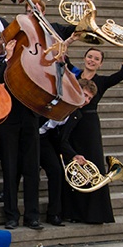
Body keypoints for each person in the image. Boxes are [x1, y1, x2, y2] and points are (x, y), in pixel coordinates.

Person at [64, 43, 123, 224]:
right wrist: (69, 41)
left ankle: (95, 215)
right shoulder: (74, 74)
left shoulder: (101, 81)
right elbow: (64, 58)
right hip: (71, 121)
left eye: (96, 59)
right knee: (73, 167)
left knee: (93, 165)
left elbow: (122, 74)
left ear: (101, 63)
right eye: (90, 57)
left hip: (89, 126)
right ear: (84, 58)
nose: (92, 60)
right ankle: (74, 213)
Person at [0, 27, 43, 231]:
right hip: (7, 120)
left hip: (29, 116)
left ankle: (32, 216)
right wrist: (7, 58)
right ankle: (11, 215)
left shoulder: (20, 55)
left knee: (32, 169)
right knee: (10, 168)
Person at [38, 81, 95, 228]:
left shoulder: (76, 114)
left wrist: (74, 155)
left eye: (89, 98)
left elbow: (62, 140)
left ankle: (54, 213)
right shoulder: (57, 100)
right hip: (30, 134)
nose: (86, 100)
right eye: (85, 95)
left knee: (56, 170)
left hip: (44, 140)